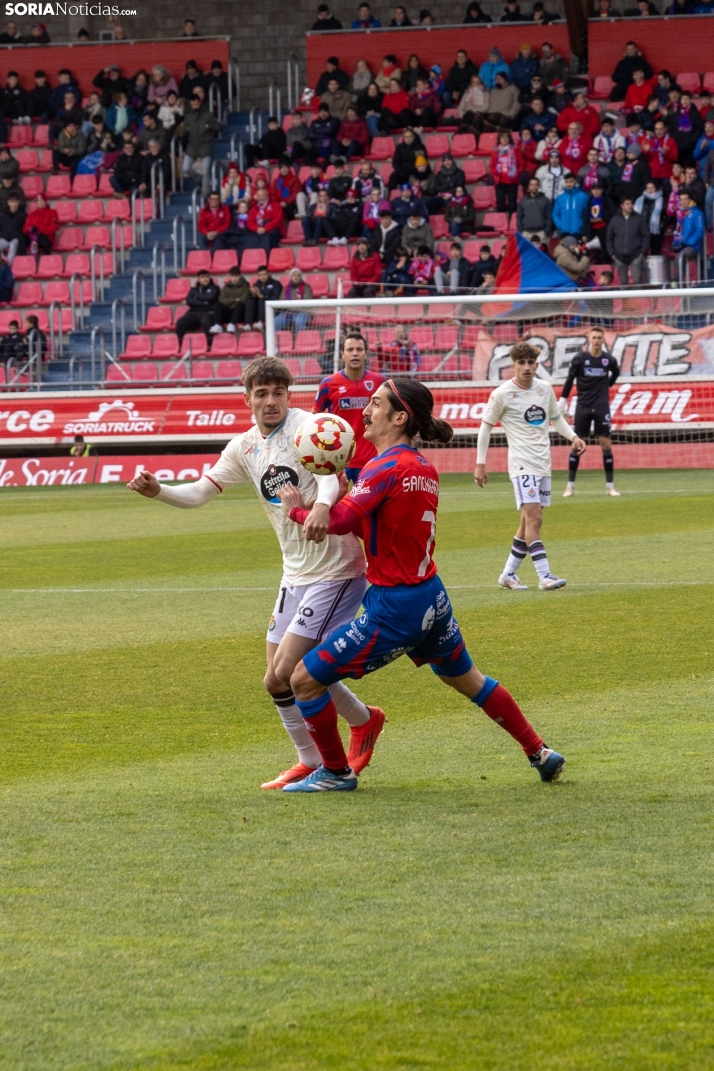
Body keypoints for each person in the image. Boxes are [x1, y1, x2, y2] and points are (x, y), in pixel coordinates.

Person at [279, 376, 567, 792]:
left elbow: (339, 522)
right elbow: (378, 527)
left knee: (304, 679)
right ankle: (539, 751)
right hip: (431, 594)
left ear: (399, 417)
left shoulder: (385, 466)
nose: (365, 410)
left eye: (375, 404)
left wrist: (297, 511)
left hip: (396, 606)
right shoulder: (421, 467)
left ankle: (336, 773)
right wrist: (343, 495)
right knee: (471, 680)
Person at [129, 356, 379, 790]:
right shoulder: (243, 446)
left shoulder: (308, 425)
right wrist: (160, 492)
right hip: (295, 572)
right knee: (275, 679)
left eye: (278, 393)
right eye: (261, 394)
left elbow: (330, 477)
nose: (270, 401)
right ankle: (346, 732)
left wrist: (321, 506)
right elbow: (200, 493)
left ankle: (331, 762)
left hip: (336, 569)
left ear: (288, 395)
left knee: (288, 671)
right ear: (247, 399)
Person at [476, 342, 585, 591]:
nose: (526, 367)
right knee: (534, 519)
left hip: (542, 464)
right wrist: (480, 464)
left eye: (530, 363)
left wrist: (573, 437)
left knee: (529, 522)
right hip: (521, 464)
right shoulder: (502, 394)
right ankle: (544, 575)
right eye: (521, 363)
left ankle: (508, 574)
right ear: (513, 366)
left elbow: (556, 418)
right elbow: (485, 427)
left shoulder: (544, 389)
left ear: (536, 364)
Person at [313, 332, 385, 483]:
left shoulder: (379, 382)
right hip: (338, 459)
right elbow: (315, 417)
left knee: (371, 506)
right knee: (336, 505)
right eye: (350, 350)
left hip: (371, 459)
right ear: (342, 354)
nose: (355, 354)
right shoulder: (328, 384)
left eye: (359, 349)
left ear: (365, 354)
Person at [560, 326, 621, 498]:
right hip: (583, 406)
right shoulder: (580, 359)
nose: (596, 341)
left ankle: (610, 486)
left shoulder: (608, 360)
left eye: (599, 338)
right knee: (577, 444)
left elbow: (615, 373)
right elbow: (570, 379)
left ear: (603, 340)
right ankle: (570, 486)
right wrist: (563, 401)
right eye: (593, 337)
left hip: (602, 407)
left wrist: (606, 385)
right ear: (589, 338)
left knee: (606, 444)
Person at [182, 95, 221, 198]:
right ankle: (198, 179)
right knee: (185, 168)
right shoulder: (188, 116)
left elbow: (218, 127)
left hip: (205, 145)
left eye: (195, 103)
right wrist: (185, 129)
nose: (194, 106)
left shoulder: (208, 114)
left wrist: (209, 125)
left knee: (205, 171)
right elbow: (183, 132)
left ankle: (205, 194)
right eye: (192, 104)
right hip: (192, 145)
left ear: (200, 102)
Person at [606, 195, 650, 283]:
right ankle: (625, 298)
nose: (630, 205)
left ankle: (639, 297)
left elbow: (646, 236)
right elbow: (609, 238)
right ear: (621, 205)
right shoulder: (614, 220)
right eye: (627, 204)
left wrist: (642, 252)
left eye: (631, 203)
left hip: (636, 255)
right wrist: (612, 253)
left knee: (637, 282)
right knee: (623, 283)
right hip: (619, 256)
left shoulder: (639, 218)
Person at [175, 269, 221, 346]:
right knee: (180, 322)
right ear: (198, 279)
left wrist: (196, 298)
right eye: (202, 277)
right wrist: (204, 302)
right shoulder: (193, 289)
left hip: (208, 312)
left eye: (207, 276)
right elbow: (189, 301)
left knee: (206, 321)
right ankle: (181, 345)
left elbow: (211, 298)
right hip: (194, 312)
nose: (205, 279)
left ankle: (210, 345)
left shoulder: (215, 288)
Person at [671, 191, 705, 281]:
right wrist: (676, 243)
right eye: (681, 199)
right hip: (682, 245)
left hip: (693, 246)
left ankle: (676, 283)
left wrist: (688, 242)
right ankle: (674, 282)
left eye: (686, 199)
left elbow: (699, 231)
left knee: (680, 257)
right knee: (674, 256)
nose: (683, 202)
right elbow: (678, 231)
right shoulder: (680, 213)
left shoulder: (697, 213)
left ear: (690, 200)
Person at [490, 131, 523, 215]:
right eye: (502, 137)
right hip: (499, 181)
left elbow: (521, 164)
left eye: (506, 137)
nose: (504, 139)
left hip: (512, 180)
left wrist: (516, 174)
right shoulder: (495, 150)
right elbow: (492, 165)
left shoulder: (515, 149)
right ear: (499, 139)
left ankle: (512, 224)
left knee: (512, 205)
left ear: (510, 139)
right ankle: (502, 225)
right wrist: (495, 175)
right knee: (500, 205)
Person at [552, 172, 589, 237]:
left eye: (571, 181)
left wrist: (582, 225)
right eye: (567, 182)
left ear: (575, 181)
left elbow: (587, 214)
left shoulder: (584, 196)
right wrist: (560, 225)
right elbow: (555, 214)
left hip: (578, 231)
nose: (569, 184)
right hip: (564, 231)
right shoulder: (560, 198)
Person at [516, 176, 552, 241]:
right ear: (529, 186)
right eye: (532, 185)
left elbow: (549, 217)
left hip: (541, 233)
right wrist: (521, 232)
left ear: (539, 186)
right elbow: (519, 217)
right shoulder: (523, 201)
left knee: (542, 251)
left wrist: (546, 231)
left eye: (536, 185)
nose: (534, 187)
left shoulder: (546, 201)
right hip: (526, 233)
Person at [217, 266, 250, 332]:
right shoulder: (226, 287)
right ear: (230, 276)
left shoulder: (245, 286)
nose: (234, 278)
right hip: (229, 312)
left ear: (240, 276)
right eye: (232, 276)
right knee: (217, 304)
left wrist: (230, 301)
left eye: (236, 276)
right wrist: (234, 300)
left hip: (240, 313)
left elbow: (242, 300)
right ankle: (217, 325)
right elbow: (221, 299)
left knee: (240, 304)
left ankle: (232, 324)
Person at [0, 193, 26, 262]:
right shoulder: (3, 215)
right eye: (12, 202)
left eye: (15, 202)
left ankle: (8, 266)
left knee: (13, 245)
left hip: (16, 239)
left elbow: (25, 230)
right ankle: (2, 264)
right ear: (8, 203)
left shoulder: (23, 215)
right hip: (6, 238)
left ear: (18, 203)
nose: (14, 204)